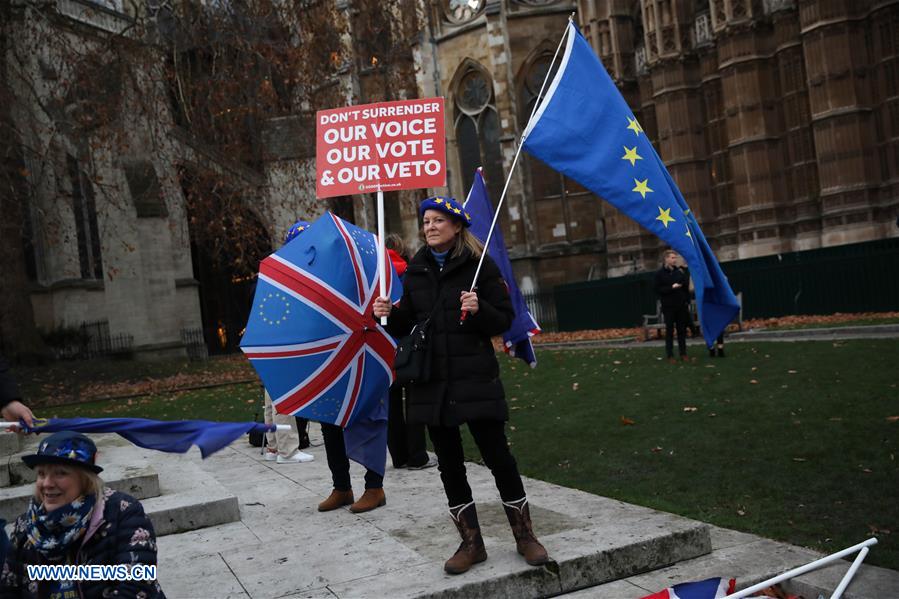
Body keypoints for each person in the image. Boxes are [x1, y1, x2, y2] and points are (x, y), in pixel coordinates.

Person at [373, 196, 549, 575]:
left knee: (499, 457)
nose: (430, 227)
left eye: (438, 221)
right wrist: (389, 314)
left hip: (474, 378)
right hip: (432, 383)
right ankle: (471, 544)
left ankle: (525, 536)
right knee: (449, 465)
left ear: (456, 226)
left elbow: (503, 319)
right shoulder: (416, 269)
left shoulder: (479, 266)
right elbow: (409, 325)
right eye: (426, 221)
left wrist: (479, 308)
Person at [0, 431, 164, 598]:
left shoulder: (122, 512)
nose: (47, 484)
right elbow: (8, 589)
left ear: (85, 479)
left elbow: (136, 587)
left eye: (60, 473)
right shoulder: (26, 525)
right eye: (42, 474)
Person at [259, 220, 315, 464]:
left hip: (269, 338)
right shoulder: (291, 269)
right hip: (284, 338)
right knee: (284, 395)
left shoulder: (274, 266)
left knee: (272, 397)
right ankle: (288, 450)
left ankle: (274, 447)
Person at [384, 234, 436, 471]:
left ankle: (398, 455)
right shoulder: (409, 270)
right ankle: (417, 455)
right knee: (413, 400)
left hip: (382, 346)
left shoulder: (374, 276)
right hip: (407, 344)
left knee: (391, 403)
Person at [655, 249, 692, 363]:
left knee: (682, 331)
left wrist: (686, 301)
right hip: (668, 307)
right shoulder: (660, 274)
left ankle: (683, 353)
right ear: (666, 259)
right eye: (672, 257)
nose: (674, 260)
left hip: (681, 306)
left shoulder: (679, 272)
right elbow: (657, 289)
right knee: (670, 330)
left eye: (675, 258)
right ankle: (670, 355)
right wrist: (671, 287)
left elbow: (686, 287)